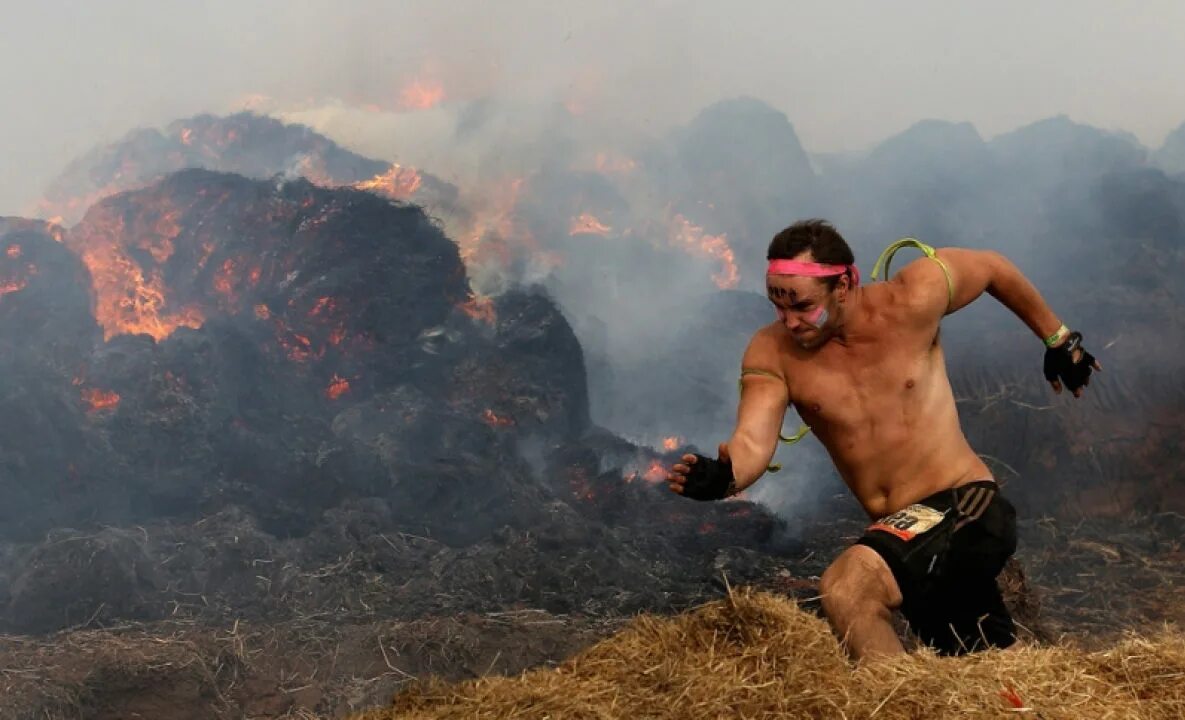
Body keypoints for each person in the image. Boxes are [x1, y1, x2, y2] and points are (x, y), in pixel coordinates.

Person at [666, 219, 1100, 659]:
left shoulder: (912, 298)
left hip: (965, 504)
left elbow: (991, 268)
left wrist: (1059, 340)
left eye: (803, 306)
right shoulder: (772, 351)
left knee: (847, 589)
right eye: (779, 307)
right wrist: (723, 477)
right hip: (905, 536)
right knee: (978, 664)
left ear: (845, 283)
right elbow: (753, 443)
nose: (791, 322)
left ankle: (898, 705)